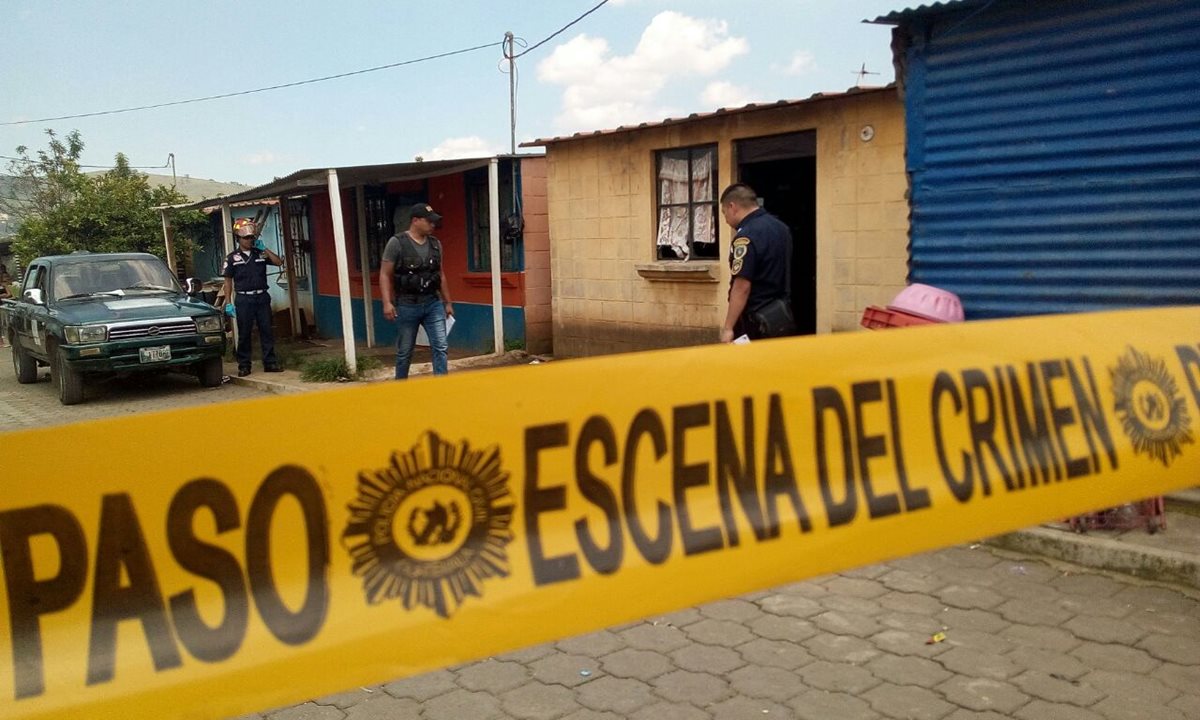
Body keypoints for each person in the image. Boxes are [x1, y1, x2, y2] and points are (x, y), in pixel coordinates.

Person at [379, 203, 454, 379]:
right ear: (415, 220)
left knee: (441, 346)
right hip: (407, 304)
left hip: (432, 303)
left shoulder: (436, 244)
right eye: (429, 221)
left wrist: (448, 302)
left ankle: (442, 385)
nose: (433, 225)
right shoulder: (397, 243)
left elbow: (440, 274)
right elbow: (384, 274)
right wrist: (387, 303)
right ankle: (402, 386)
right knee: (405, 351)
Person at [718, 183, 793, 343]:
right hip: (780, 316)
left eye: (724, 213)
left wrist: (728, 327)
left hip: (754, 323)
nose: (726, 220)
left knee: (744, 359)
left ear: (732, 207)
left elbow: (742, 287)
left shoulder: (745, 237)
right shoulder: (782, 228)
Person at [221, 218, 284, 376]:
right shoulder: (232, 258)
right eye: (246, 238)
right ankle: (244, 365)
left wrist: (265, 249)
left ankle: (270, 362)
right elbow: (228, 281)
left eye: (251, 237)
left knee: (266, 330)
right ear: (238, 239)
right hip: (244, 299)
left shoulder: (260, 253)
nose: (249, 240)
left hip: (262, 297)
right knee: (244, 333)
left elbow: (278, 262)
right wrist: (228, 303)